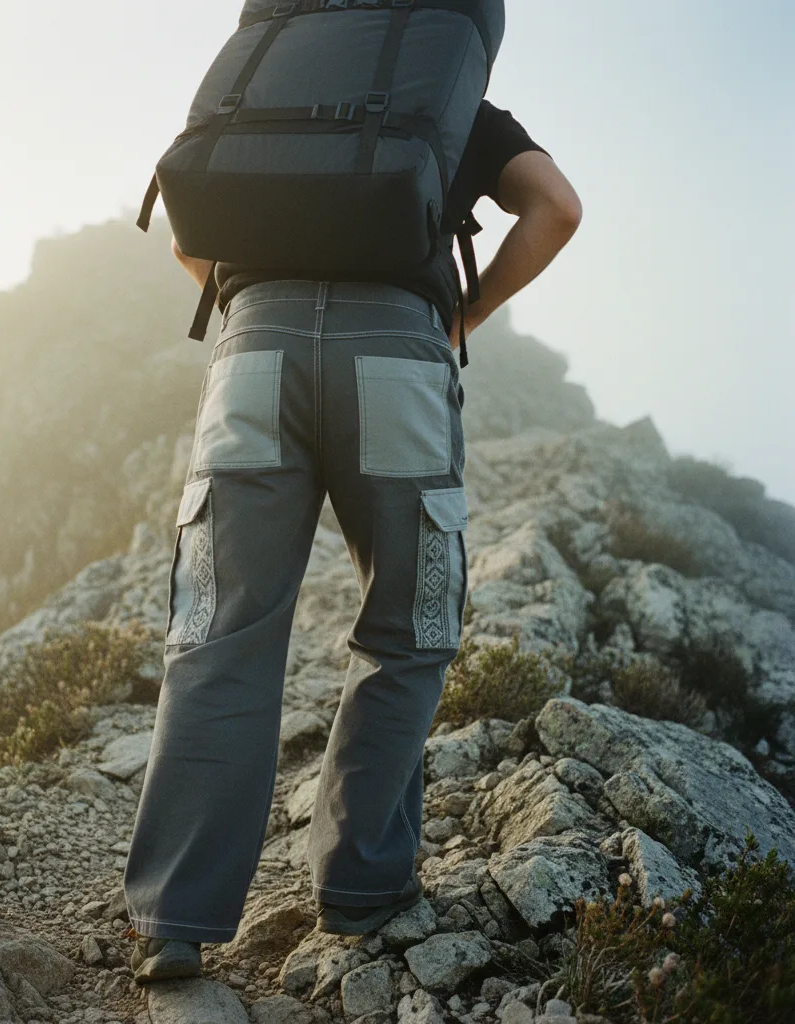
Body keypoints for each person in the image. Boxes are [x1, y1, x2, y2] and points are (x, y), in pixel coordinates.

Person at [124, 98, 582, 984]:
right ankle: (363, 887)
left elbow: (186, 228)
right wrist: (454, 323)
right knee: (410, 623)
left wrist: (268, 306)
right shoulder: (447, 90)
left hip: (254, 351)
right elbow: (556, 208)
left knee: (220, 631)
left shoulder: (265, 83)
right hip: (396, 354)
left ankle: (177, 917)